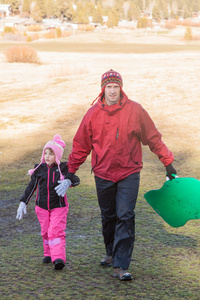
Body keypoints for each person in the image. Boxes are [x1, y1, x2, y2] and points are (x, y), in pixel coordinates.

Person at [55, 69, 177, 280]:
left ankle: (121, 265)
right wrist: (70, 172)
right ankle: (111, 253)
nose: (113, 91)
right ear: (103, 89)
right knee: (109, 216)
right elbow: (81, 145)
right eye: (109, 87)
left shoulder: (136, 110)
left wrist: (168, 163)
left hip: (129, 172)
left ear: (121, 88)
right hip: (102, 173)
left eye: (116, 87)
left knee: (125, 215)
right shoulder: (92, 113)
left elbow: (153, 138)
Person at [16, 134, 80, 270]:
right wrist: (23, 202)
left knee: (55, 231)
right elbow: (31, 187)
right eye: (45, 153)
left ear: (57, 155)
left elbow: (76, 180)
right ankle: (49, 253)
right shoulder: (39, 169)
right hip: (42, 207)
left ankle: (58, 258)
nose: (47, 156)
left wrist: (68, 181)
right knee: (45, 231)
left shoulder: (64, 168)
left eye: (51, 154)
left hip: (59, 207)